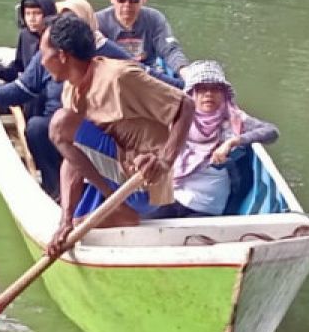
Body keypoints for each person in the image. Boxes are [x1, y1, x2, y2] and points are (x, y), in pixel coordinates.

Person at [40, 15, 195, 257]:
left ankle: (121, 207)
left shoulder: (119, 77)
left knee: (60, 125)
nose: (41, 61)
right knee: (65, 132)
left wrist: (164, 161)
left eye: (43, 54)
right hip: (117, 175)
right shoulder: (71, 88)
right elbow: (70, 157)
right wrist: (66, 220)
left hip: (142, 181)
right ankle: (113, 206)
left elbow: (186, 105)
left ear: (62, 56)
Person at [0, 0, 130, 199]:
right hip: (57, 123)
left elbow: (145, 78)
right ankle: (55, 189)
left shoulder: (109, 55)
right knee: (38, 127)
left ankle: (108, 192)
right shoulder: (51, 52)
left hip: (99, 126)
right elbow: (25, 86)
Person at [151, 60, 279, 218]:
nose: (209, 94)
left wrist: (232, 141)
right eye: (202, 89)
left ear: (224, 93)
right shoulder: (178, 116)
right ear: (192, 93)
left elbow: (271, 131)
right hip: (173, 193)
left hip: (206, 204)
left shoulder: (233, 118)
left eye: (215, 89)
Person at [97, 0, 189, 79]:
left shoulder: (154, 18)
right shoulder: (98, 21)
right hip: (112, 75)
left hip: (148, 73)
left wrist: (184, 70)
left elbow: (170, 50)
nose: (127, 4)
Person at [0, 0, 57, 84]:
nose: (31, 19)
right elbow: (19, 67)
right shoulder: (25, 35)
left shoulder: (56, 38)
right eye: (28, 14)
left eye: (37, 13)